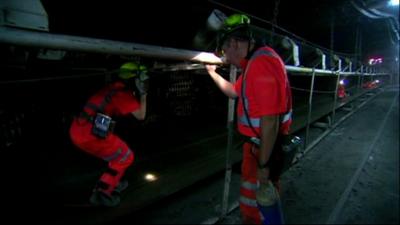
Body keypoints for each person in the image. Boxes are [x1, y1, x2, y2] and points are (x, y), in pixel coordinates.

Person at [205, 14, 292, 224]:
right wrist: (212, 72)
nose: (226, 57)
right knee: (258, 198)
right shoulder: (255, 63)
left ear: (234, 43)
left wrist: (263, 165)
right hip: (257, 146)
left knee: (259, 203)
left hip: (263, 148)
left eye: (226, 50)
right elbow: (234, 92)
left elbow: (270, 120)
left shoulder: (261, 63)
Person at [69, 62, 149, 207]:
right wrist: (144, 93)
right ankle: (102, 194)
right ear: (136, 80)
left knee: (115, 155)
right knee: (125, 157)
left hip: (77, 130)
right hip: (90, 135)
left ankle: (114, 180)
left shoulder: (110, 89)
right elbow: (141, 116)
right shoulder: (122, 95)